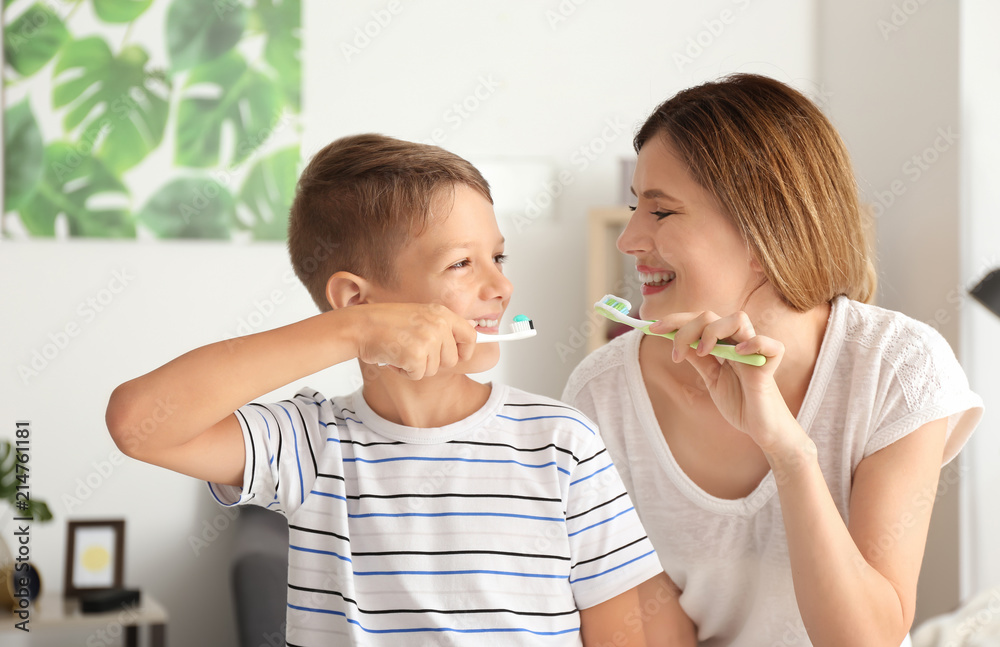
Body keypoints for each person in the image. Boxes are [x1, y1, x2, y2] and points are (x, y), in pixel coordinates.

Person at [106, 134, 694, 646]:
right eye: (462, 264)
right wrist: (353, 332)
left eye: (498, 256)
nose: (502, 284)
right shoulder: (309, 443)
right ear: (357, 302)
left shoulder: (561, 442)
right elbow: (138, 422)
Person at [562, 74, 984, 647]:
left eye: (661, 213)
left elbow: (865, 639)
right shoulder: (603, 392)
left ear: (765, 225)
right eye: (635, 207)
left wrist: (787, 449)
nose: (629, 239)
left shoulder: (898, 366)